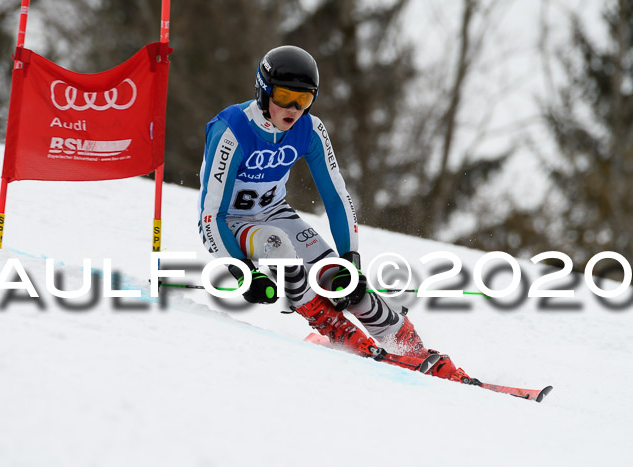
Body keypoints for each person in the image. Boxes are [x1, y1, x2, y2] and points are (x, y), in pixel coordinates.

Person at [198, 45, 470, 382]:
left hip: (275, 212)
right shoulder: (232, 130)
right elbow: (210, 215)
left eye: (304, 99)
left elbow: (337, 197)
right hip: (233, 223)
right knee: (278, 244)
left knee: (340, 280)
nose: (294, 109)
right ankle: (335, 329)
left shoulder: (310, 129)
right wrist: (242, 272)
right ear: (263, 90)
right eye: (284, 96)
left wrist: (350, 260)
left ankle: (411, 347)